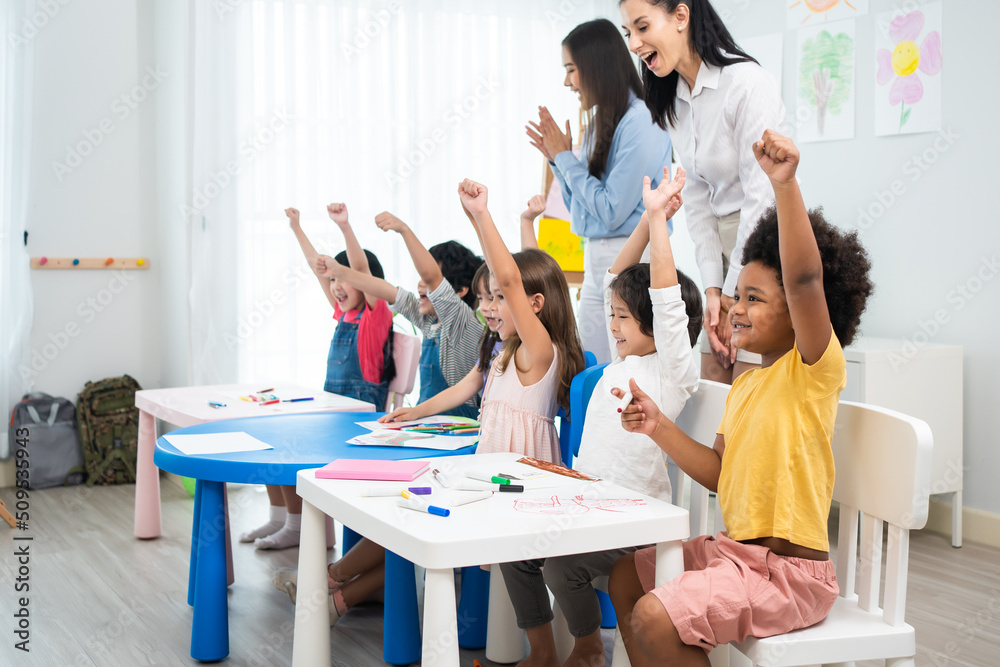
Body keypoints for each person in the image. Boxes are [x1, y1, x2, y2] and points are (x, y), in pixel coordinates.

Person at [607, 131, 873, 665]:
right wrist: (658, 426)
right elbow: (720, 471)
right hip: (736, 554)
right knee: (625, 576)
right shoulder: (747, 382)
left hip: (790, 576)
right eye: (736, 297)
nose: (737, 309)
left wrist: (785, 185)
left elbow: (803, 279)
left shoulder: (815, 370)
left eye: (755, 298)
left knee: (655, 617)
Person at [498, 168, 701, 667]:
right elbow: (616, 276)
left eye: (623, 318)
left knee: (558, 568)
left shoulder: (672, 371)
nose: (612, 325)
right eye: (611, 316)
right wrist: (645, 224)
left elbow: (667, 305)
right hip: (589, 503)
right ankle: (564, 650)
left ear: (654, 324)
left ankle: (589, 646)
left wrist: (658, 224)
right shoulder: (621, 360)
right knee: (517, 550)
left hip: (633, 523)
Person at [619, 0, 787, 382]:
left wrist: (733, 294)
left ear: (681, 16)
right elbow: (696, 198)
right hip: (724, 254)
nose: (633, 43)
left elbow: (761, 200)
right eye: (628, 32)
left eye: (642, 27)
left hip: (765, 247)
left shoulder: (745, 83)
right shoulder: (673, 96)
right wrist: (713, 290)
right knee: (714, 378)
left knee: (748, 381)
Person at [241, 203, 394, 550]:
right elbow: (317, 270)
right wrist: (297, 227)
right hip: (335, 415)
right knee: (271, 432)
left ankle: (295, 526)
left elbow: (361, 270)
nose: (337, 286)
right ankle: (280, 518)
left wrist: (345, 227)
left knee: (286, 447)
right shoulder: (344, 314)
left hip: (358, 425)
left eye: (344, 281)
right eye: (334, 281)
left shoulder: (374, 318)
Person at [526, 18, 673, 364]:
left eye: (572, 69)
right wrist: (558, 160)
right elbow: (581, 209)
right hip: (597, 256)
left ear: (596, 66)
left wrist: (566, 157)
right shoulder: (598, 122)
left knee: (627, 369)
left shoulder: (641, 120)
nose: (567, 82)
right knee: (591, 362)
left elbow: (610, 210)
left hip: (632, 254)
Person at [458, 178, 585, 464]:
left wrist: (482, 214)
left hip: (524, 484)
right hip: (494, 476)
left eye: (501, 298)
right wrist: (473, 217)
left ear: (536, 304)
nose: (491, 307)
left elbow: (510, 280)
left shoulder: (540, 351)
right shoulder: (513, 350)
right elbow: (502, 274)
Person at [320, 212, 485, 420]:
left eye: (430, 283)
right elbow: (386, 290)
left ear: (460, 291)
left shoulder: (462, 321)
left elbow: (432, 277)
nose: (420, 284)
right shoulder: (429, 321)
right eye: (420, 278)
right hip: (425, 421)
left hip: (456, 425)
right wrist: (340, 272)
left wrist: (404, 230)